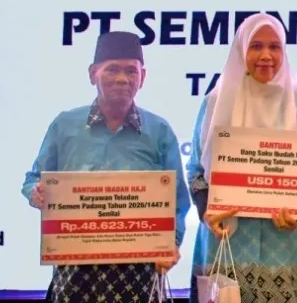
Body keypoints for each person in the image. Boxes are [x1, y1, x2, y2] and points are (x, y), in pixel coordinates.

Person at [21, 31, 191, 303]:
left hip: (139, 271)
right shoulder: (64, 125)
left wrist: (172, 242)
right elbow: (33, 179)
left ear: (143, 77)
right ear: (92, 74)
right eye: (112, 69)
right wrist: (36, 192)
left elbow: (178, 200)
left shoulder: (159, 131)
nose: (122, 79)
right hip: (75, 269)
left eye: (131, 71)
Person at [186, 13, 297, 303]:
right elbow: (196, 170)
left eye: (275, 47)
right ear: (241, 50)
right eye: (256, 46)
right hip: (227, 240)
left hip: (287, 244)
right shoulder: (215, 102)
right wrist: (207, 211)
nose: (266, 55)